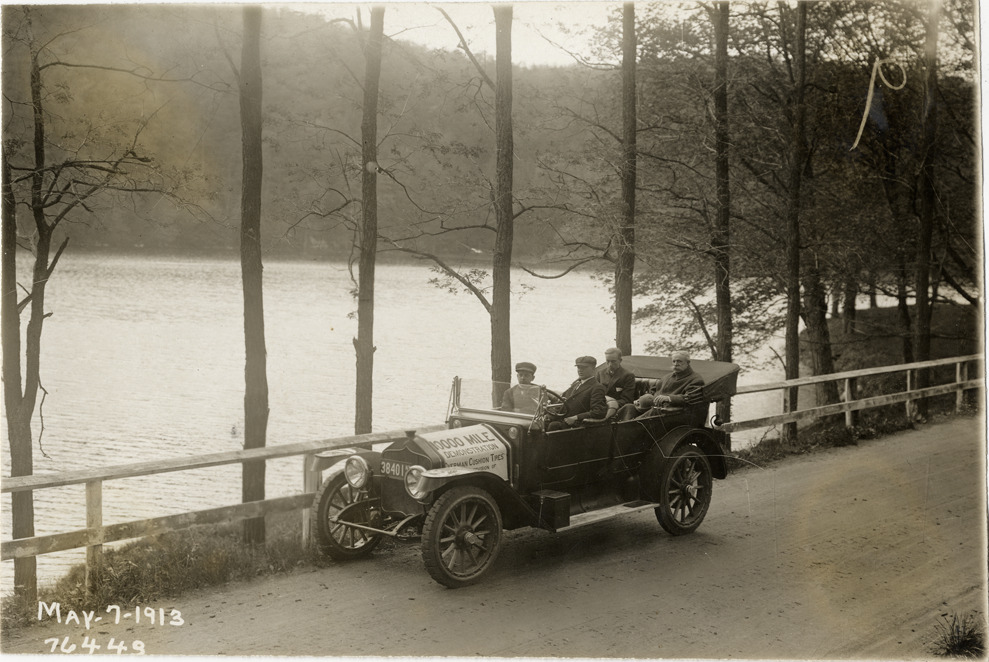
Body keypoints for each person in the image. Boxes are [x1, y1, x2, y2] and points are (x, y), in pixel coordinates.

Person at [616, 351, 705, 420]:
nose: (676, 364)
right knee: (629, 407)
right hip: (655, 407)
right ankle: (615, 427)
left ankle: (629, 426)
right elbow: (653, 391)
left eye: (679, 361)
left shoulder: (695, 379)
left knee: (654, 412)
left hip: (674, 413)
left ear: (688, 363)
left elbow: (690, 398)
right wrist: (641, 400)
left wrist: (669, 398)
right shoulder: (667, 377)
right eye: (674, 361)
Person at [546, 356, 608, 431]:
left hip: (578, 425)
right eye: (578, 367)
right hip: (564, 418)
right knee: (540, 422)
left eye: (584, 368)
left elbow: (599, 411)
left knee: (553, 426)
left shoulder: (597, 387)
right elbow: (563, 400)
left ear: (593, 368)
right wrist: (551, 410)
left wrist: (576, 417)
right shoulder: (576, 384)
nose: (580, 370)